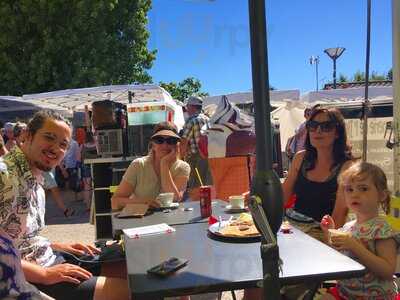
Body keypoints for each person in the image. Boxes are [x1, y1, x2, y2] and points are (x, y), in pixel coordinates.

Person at [0, 111, 128, 300]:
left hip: (49, 259)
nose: (55, 149)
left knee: (125, 265)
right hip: (26, 277)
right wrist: (44, 275)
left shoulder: (34, 178)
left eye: (63, 145)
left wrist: (57, 245)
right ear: (27, 136)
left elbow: (22, 236)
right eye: (49, 137)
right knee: (127, 290)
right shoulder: (4, 174)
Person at [320, 161, 399, 299]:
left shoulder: (382, 229)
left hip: (375, 296)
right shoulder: (348, 227)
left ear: (381, 195)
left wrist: (354, 245)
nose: (355, 194)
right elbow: (337, 255)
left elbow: (387, 270)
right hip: (346, 292)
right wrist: (329, 233)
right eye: (349, 189)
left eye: (363, 189)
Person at [282, 107, 354, 233]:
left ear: (337, 133)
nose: (318, 131)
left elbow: (338, 218)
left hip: (323, 235)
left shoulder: (347, 167)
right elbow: (282, 198)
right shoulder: (300, 158)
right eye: (312, 126)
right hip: (293, 229)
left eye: (326, 126)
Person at [111, 121, 190, 210]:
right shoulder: (138, 165)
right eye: (159, 140)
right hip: (141, 220)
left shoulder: (183, 167)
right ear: (152, 143)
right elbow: (115, 202)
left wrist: (164, 164)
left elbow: (174, 199)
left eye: (171, 141)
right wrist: (144, 202)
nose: (165, 145)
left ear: (176, 145)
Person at [180, 96, 212, 196]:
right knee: (207, 182)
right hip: (209, 155)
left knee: (195, 185)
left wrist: (181, 157)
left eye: (187, 107)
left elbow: (184, 141)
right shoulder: (208, 119)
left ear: (192, 107)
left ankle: (197, 206)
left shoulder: (191, 120)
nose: (187, 110)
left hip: (196, 157)